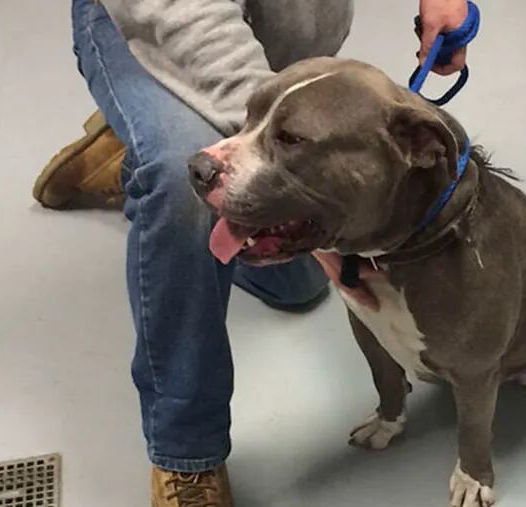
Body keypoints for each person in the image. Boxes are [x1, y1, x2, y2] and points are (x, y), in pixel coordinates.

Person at [33, 0, 470, 505]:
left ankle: (141, 146)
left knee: (297, 283)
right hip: (160, 24)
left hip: (287, 47)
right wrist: (276, 140)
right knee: (181, 187)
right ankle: (186, 454)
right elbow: (187, 15)